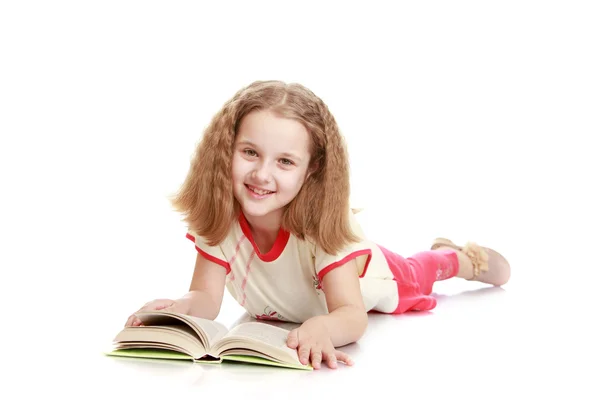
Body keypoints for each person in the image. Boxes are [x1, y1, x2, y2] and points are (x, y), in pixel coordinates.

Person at [124, 80, 511, 370]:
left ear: (313, 171)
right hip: (304, 298)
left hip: (373, 275)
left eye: (285, 162)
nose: (261, 174)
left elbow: (351, 314)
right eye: (249, 153)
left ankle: (455, 259)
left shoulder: (322, 226)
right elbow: (205, 298)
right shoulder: (223, 220)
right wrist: (179, 308)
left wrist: (324, 328)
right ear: (227, 150)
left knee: (415, 273)